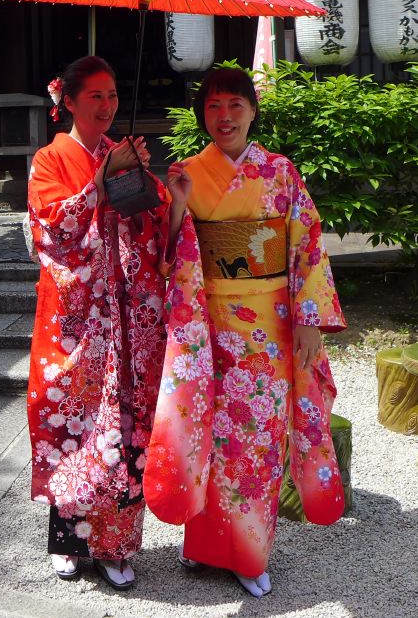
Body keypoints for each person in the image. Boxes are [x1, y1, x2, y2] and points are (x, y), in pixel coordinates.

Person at [145, 65, 347, 598]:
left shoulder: (280, 173)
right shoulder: (187, 171)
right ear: (201, 116)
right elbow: (171, 258)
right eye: (213, 106)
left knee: (255, 443)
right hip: (209, 331)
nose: (225, 116)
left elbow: (308, 246)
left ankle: (248, 552)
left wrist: (309, 321)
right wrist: (180, 204)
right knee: (204, 437)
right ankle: (203, 548)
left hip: (269, 331)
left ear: (253, 110)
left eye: (235, 104)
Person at [26, 55, 186, 592]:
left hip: (130, 316)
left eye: (112, 94)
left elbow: (156, 223)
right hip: (78, 321)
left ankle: (117, 545)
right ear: (67, 102)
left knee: (126, 424)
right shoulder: (50, 160)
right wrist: (100, 180)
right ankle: (69, 540)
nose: (107, 104)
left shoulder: (125, 153)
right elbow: (52, 231)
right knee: (73, 420)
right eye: (94, 95)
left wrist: (159, 188)